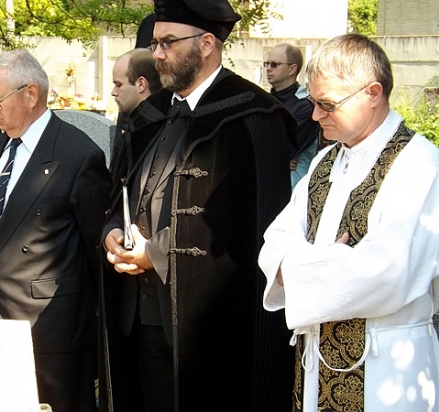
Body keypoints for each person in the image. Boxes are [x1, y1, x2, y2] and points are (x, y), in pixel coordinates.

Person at [100, 0, 297, 410]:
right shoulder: (152, 115)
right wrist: (112, 232)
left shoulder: (253, 115)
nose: (157, 54)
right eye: (154, 43)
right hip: (139, 321)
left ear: (206, 44)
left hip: (209, 330)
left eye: (168, 42)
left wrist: (156, 253)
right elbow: (119, 193)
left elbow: (257, 229)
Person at [259, 33, 439, 412]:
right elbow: (276, 240)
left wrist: (299, 265)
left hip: (387, 370)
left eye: (328, 104)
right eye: (313, 103)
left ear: (373, 93)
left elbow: (387, 274)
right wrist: (327, 261)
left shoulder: (417, 164)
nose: (316, 116)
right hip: (316, 366)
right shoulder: (325, 162)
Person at [0, 49, 111, 412]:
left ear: (31, 94)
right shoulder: (2, 144)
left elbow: (96, 247)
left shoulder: (77, 154)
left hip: (51, 331)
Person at [266, 43, 320, 189]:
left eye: (275, 64)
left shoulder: (305, 106)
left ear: (292, 69)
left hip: (292, 185)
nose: (268, 68)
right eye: (267, 64)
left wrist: (276, 159)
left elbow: (285, 149)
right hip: (268, 178)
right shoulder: (263, 101)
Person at [110, 48, 161, 176]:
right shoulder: (129, 123)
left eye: (119, 85)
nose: (113, 92)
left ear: (141, 84)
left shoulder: (156, 132)